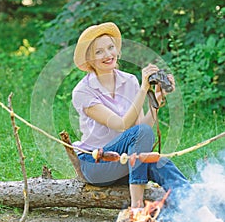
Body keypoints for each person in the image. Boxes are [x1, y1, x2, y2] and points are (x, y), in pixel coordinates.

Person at [72, 22, 190, 210]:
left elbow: (141, 128)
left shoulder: (129, 81)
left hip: (124, 160)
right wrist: (144, 88)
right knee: (143, 139)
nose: (108, 55)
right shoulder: (83, 91)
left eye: (111, 47)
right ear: (89, 60)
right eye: (99, 52)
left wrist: (156, 101)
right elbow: (121, 125)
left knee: (160, 163)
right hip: (96, 164)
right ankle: (137, 207)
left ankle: (200, 210)